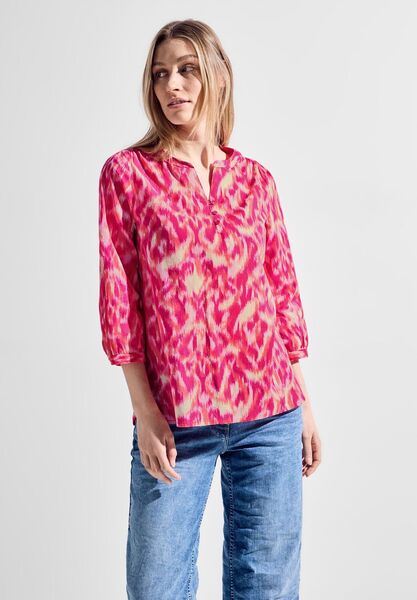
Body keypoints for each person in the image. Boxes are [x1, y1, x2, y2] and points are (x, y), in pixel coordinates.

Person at [98, 18, 321, 600]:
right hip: (176, 419)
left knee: (267, 587)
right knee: (156, 587)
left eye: (187, 70)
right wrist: (144, 410)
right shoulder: (128, 174)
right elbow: (120, 297)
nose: (171, 85)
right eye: (160, 74)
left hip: (270, 415)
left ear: (217, 76)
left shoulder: (256, 181)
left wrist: (303, 402)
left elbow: (280, 291)